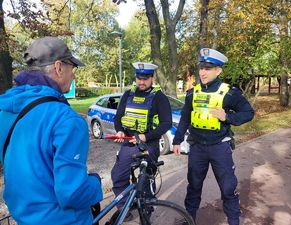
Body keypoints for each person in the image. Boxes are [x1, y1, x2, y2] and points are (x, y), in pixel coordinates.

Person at [0, 36, 103, 225]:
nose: (73, 75)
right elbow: (72, 194)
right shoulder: (66, 120)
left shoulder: (5, 112)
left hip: (22, 218)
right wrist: (96, 184)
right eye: (72, 68)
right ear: (58, 67)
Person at [172, 48, 254, 225]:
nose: (202, 72)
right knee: (193, 187)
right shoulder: (192, 93)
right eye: (201, 67)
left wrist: (228, 117)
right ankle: (190, 219)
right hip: (197, 148)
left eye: (208, 68)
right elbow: (185, 117)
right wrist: (177, 140)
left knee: (228, 188)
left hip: (219, 148)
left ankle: (233, 221)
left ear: (218, 70)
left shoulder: (229, 93)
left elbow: (248, 112)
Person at [111, 62, 172, 208]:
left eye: (145, 78)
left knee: (146, 180)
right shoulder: (127, 94)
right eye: (139, 78)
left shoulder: (159, 97)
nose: (141, 81)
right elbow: (118, 117)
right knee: (118, 175)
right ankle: (124, 206)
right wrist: (119, 130)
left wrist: (146, 136)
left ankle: (146, 210)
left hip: (148, 144)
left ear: (152, 78)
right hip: (129, 142)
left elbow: (166, 123)